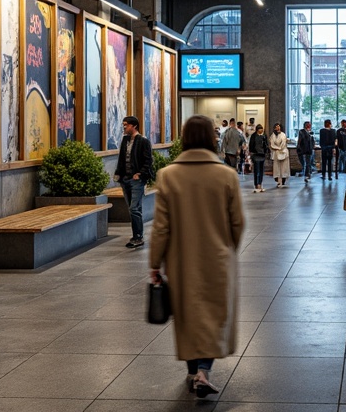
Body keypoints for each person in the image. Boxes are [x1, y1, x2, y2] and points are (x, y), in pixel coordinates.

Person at [149, 115, 244, 399]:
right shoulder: (227, 174)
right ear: (212, 138)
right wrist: (228, 249)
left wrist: (155, 263)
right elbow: (237, 222)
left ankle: (194, 371)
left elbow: (161, 227)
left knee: (188, 314)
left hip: (181, 259)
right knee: (214, 314)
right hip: (218, 257)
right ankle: (203, 369)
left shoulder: (168, 175)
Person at [114, 115, 155, 248]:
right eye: (124, 124)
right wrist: (118, 174)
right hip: (125, 179)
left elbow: (148, 160)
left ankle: (138, 237)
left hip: (137, 180)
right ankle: (137, 235)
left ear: (134, 126)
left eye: (127, 125)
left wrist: (140, 173)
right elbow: (121, 158)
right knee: (134, 209)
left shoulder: (143, 141)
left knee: (134, 208)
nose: (124, 127)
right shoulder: (125, 140)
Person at [248, 124, 268, 193]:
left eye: (262, 129)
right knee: (257, 170)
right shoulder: (253, 136)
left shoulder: (264, 136)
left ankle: (260, 183)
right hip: (256, 155)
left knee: (261, 170)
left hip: (262, 155)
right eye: (260, 129)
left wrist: (266, 151)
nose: (261, 130)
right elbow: (251, 145)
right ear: (257, 129)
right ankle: (257, 184)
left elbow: (266, 145)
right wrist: (251, 152)